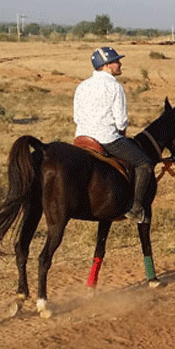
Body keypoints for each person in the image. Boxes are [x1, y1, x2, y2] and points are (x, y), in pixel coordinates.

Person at [73, 47, 153, 223]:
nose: (120, 64)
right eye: (116, 61)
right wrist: (121, 133)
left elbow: (76, 117)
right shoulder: (115, 87)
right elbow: (121, 121)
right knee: (145, 163)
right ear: (107, 65)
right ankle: (136, 208)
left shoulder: (82, 85)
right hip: (107, 138)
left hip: (81, 138)